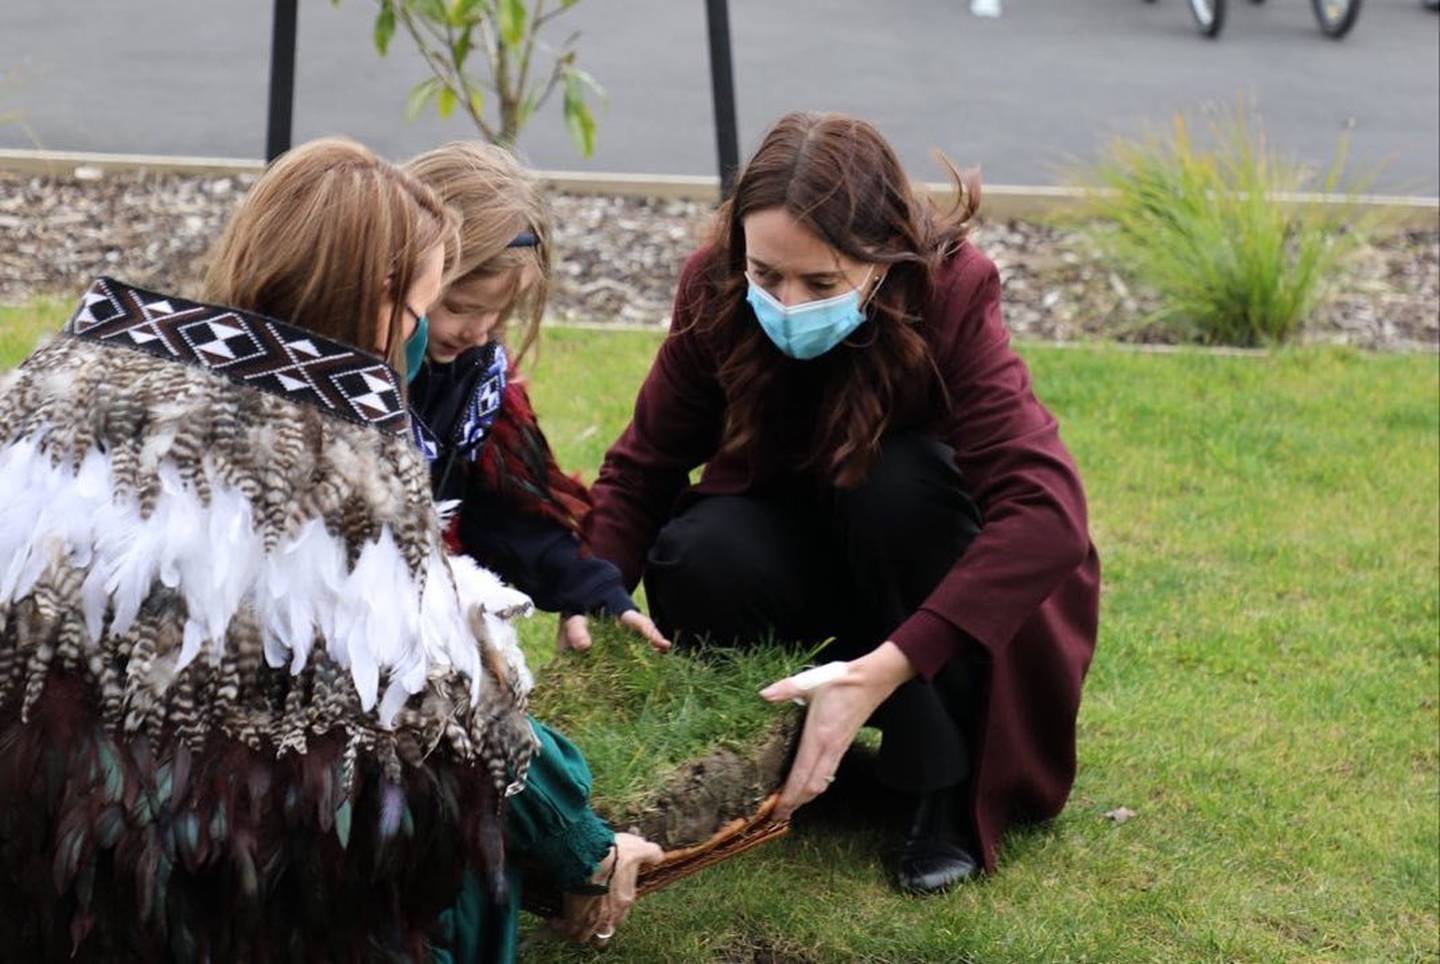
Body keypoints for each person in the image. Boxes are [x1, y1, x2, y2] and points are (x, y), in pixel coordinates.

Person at [1, 136, 561, 961]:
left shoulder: (57, 376)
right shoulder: (349, 455)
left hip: (25, 819)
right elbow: (435, 721)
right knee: (490, 798)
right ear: (379, 302)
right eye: (421, 310)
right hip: (212, 867)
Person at [583, 112, 1100, 896]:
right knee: (701, 550)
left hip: (915, 560)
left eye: (820, 283)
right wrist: (593, 589)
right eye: (767, 276)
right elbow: (644, 463)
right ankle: (787, 745)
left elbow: (1047, 513)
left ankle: (945, 781)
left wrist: (886, 667)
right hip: (805, 553)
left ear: (885, 263)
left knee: (898, 484)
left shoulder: (952, 290)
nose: (788, 302)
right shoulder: (713, 286)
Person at [401, 141, 665, 955]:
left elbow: (504, 509)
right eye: (453, 304)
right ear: (401, 274)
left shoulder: (476, 374)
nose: (473, 330)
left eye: (494, 314)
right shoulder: (351, 388)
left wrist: (589, 586)